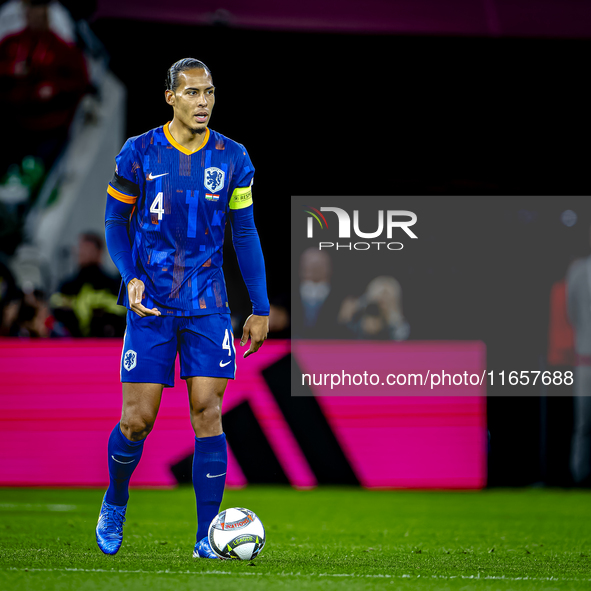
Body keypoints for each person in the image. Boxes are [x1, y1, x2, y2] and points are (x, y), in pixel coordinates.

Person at [96, 58, 269, 557]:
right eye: (192, 93)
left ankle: (206, 538)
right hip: (150, 304)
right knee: (137, 421)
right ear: (170, 97)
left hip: (208, 305)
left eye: (210, 92)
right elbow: (114, 222)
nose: (204, 102)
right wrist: (129, 278)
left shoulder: (233, 157)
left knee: (207, 411)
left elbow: (244, 232)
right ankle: (115, 498)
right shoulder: (139, 152)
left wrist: (259, 306)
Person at [50, 232, 125, 337]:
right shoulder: (68, 286)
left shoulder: (112, 284)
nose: (82, 253)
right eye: (80, 248)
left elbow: (122, 312)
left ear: (99, 252)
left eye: (88, 249)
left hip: (107, 345)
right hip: (72, 345)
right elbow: (56, 309)